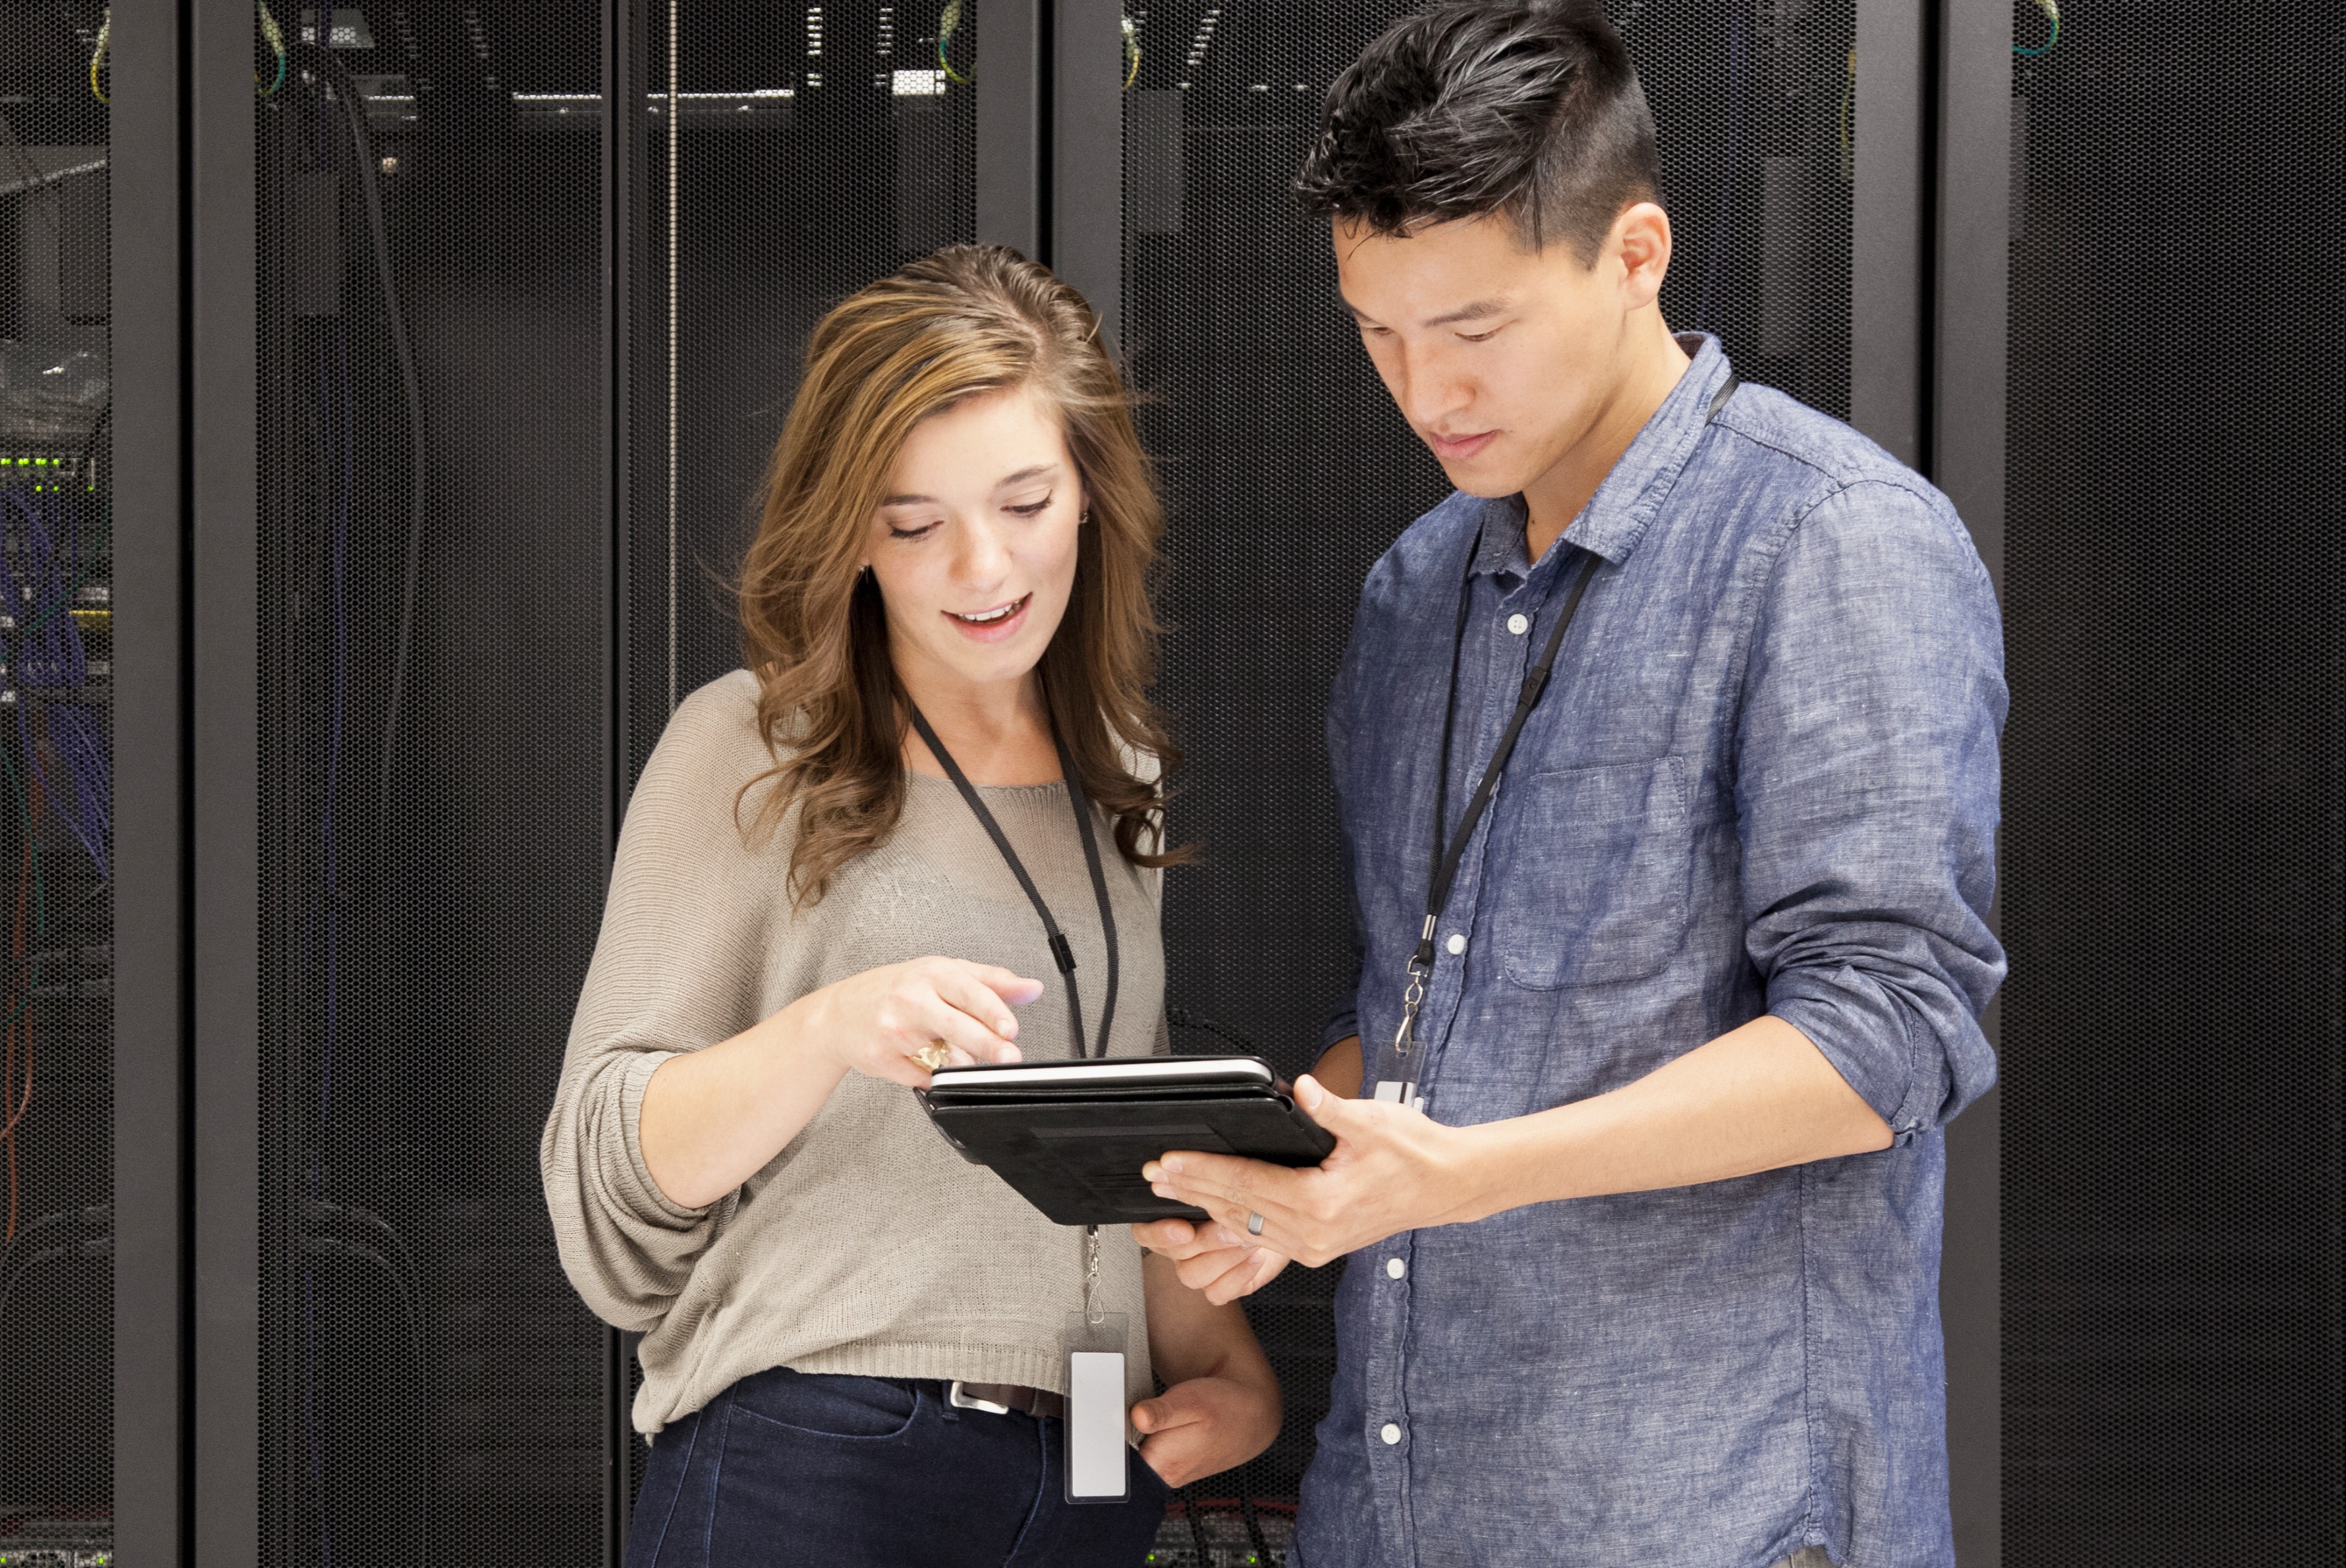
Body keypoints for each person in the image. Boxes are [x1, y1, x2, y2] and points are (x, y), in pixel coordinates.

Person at [1130, 6, 2007, 1567]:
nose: (1424, 390)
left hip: (1711, 1517)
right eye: (1377, 333)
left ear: (1634, 255)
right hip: (1400, 1513)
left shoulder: (1833, 543)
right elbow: (1432, 1022)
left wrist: (1464, 1177)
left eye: (1472, 330)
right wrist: (1280, 1168)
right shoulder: (1414, 593)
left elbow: (1887, 1035)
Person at [541, 245, 1280, 1567]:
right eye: (910, 520)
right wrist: (828, 1028)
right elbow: (596, 1177)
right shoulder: (751, 746)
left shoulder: (1125, 774)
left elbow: (1106, 1168)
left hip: (1097, 1459)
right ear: (851, 533)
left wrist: (1226, 1372)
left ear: (1092, 498)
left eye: (1023, 501)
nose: (977, 565)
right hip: (822, 1447)